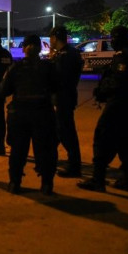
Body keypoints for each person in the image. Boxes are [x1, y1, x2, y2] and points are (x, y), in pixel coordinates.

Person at [78, 26, 128, 192]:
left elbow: (118, 81)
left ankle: (98, 179)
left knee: (103, 139)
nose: (111, 42)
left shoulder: (124, 57)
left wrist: (102, 92)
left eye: (113, 38)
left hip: (119, 105)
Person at [0, 35, 58, 195]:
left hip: (19, 114)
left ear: (24, 48)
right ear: (40, 48)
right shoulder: (48, 67)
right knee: (45, 150)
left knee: (18, 150)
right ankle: (46, 184)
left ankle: (14, 183)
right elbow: (56, 88)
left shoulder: (15, 68)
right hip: (43, 113)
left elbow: (4, 90)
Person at [48, 26, 84, 177]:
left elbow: (59, 78)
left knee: (66, 132)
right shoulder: (70, 53)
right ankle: (50, 158)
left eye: (51, 38)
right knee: (57, 131)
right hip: (65, 96)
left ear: (55, 38)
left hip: (63, 98)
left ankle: (74, 165)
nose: (50, 41)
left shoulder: (65, 56)